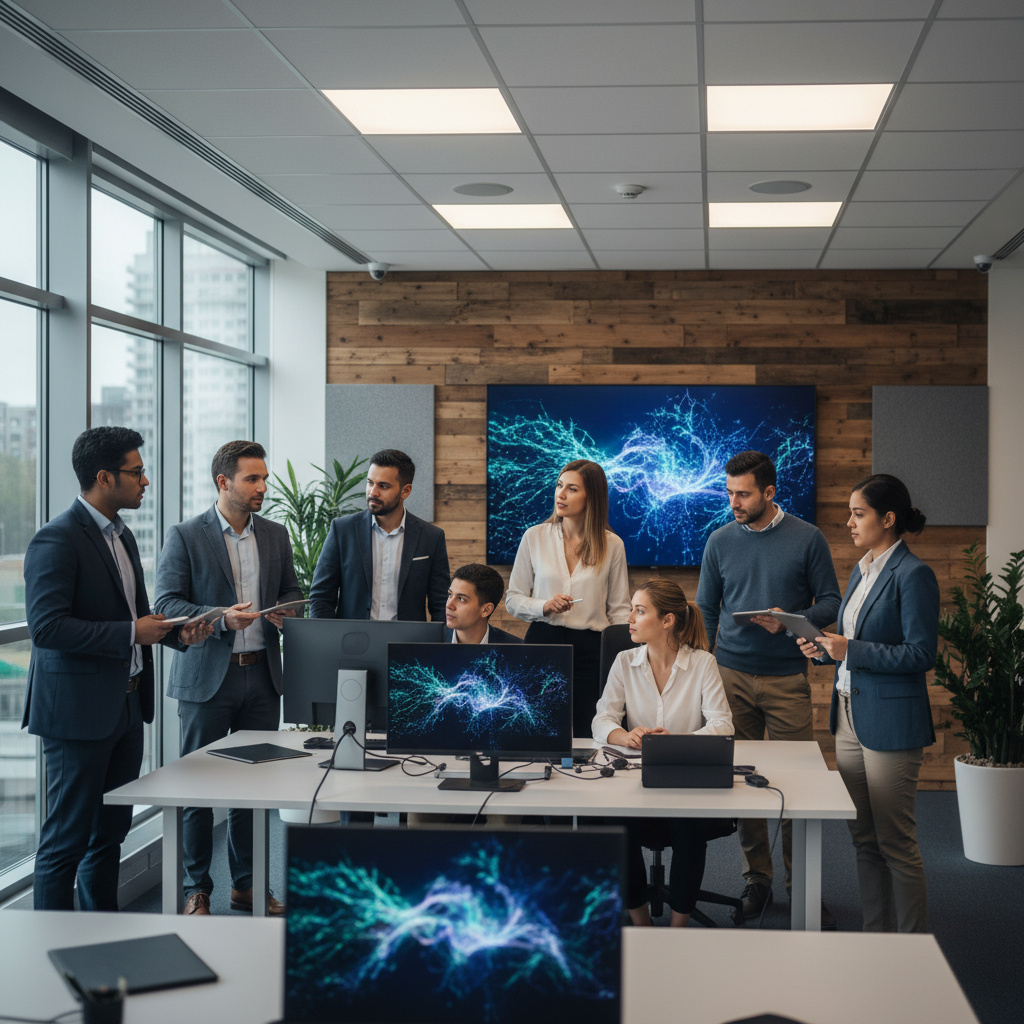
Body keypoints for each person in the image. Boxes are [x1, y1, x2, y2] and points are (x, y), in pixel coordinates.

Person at [23, 427, 207, 911]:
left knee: (108, 838)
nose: (145, 481)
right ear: (104, 477)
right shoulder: (56, 539)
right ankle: (53, 957)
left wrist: (176, 633)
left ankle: (101, 936)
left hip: (126, 708)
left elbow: (138, 617)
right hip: (78, 717)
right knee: (64, 844)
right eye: (137, 471)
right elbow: (47, 629)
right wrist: (132, 634)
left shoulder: (122, 538)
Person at [154, 440, 304, 917]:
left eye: (265, 478)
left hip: (262, 678)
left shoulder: (276, 535)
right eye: (253, 479)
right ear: (224, 482)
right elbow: (167, 605)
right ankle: (194, 890)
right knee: (198, 787)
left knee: (254, 788)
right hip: (206, 682)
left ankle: (248, 886)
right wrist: (220, 617)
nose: (264, 487)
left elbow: (293, 591)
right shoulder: (185, 535)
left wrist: (288, 612)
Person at [696, 450, 841, 925]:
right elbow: (708, 609)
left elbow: (831, 602)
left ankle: (802, 886)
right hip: (731, 676)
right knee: (744, 785)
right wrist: (710, 668)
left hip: (786, 679)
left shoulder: (808, 538)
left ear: (769, 493)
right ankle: (756, 879)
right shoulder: (719, 540)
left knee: (795, 787)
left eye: (743, 493)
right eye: (729, 492)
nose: (733, 501)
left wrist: (790, 622)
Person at [796, 474, 937, 933]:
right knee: (863, 838)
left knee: (896, 841)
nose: (849, 522)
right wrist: (823, 649)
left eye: (859, 514)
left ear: (888, 519)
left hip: (891, 722)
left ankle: (913, 947)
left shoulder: (914, 575)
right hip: (849, 717)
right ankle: (876, 937)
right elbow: (850, 641)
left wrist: (848, 651)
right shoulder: (862, 568)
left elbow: (921, 654)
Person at [593, 579, 734, 926]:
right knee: (617, 827)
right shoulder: (625, 661)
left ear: (667, 620)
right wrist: (625, 735)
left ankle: (677, 928)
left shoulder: (702, 664)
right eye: (632, 610)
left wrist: (676, 742)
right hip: (635, 781)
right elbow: (602, 719)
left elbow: (723, 724)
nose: (630, 618)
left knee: (688, 827)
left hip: (687, 779)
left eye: (639, 611)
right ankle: (640, 922)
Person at [506, 459, 630, 739]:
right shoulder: (534, 536)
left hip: (592, 651)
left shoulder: (613, 545)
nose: (560, 494)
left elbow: (620, 611)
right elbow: (513, 599)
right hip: (542, 642)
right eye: (559, 486)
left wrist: (630, 660)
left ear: (592, 497)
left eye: (572, 489)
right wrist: (543, 606)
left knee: (591, 729)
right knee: (536, 729)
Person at [308, 449, 449, 622]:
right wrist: (326, 643)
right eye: (370, 483)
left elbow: (441, 604)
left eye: (383, 486)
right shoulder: (342, 530)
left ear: (405, 491)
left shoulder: (431, 537)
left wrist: (440, 648)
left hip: (408, 644)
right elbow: (321, 597)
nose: (372, 492)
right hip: (352, 643)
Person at [444, 563, 522, 645]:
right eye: (450, 595)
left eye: (461, 599)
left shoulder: (516, 650)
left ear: (486, 610)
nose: (449, 605)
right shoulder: (430, 640)